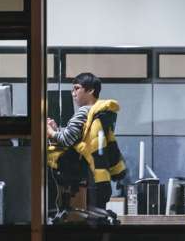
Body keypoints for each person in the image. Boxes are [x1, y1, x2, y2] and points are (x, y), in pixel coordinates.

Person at [47, 72, 127, 210]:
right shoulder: (99, 112)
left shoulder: (84, 111)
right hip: (93, 170)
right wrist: (57, 130)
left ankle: (48, 210)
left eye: (77, 88)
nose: (73, 93)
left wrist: (50, 132)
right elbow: (77, 138)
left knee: (42, 163)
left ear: (90, 90)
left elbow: (66, 140)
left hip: (78, 168)